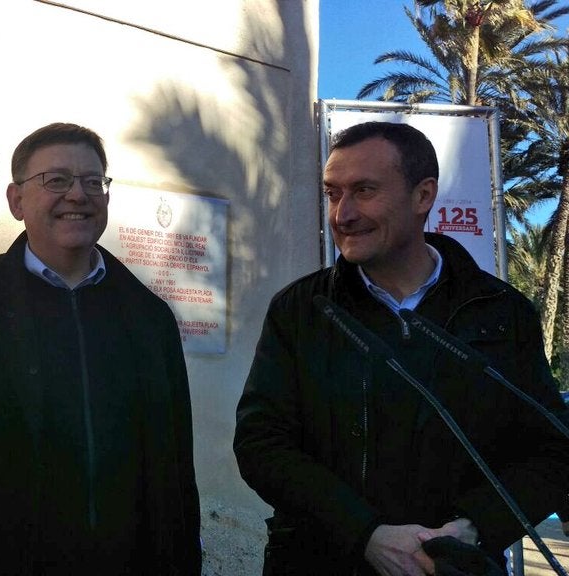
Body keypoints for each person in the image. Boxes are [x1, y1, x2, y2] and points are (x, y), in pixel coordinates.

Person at [233, 122, 569, 576]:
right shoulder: (301, 310)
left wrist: (472, 529)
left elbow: (550, 451)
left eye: (365, 190)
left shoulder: (501, 313)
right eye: (333, 194)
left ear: (423, 196)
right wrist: (366, 534)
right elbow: (261, 444)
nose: (342, 214)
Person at [0, 122, 201, 575]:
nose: (77, 194)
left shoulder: (150, 316)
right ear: (16, 201)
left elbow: (175, 465)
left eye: (92, 181)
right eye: (56, 180)